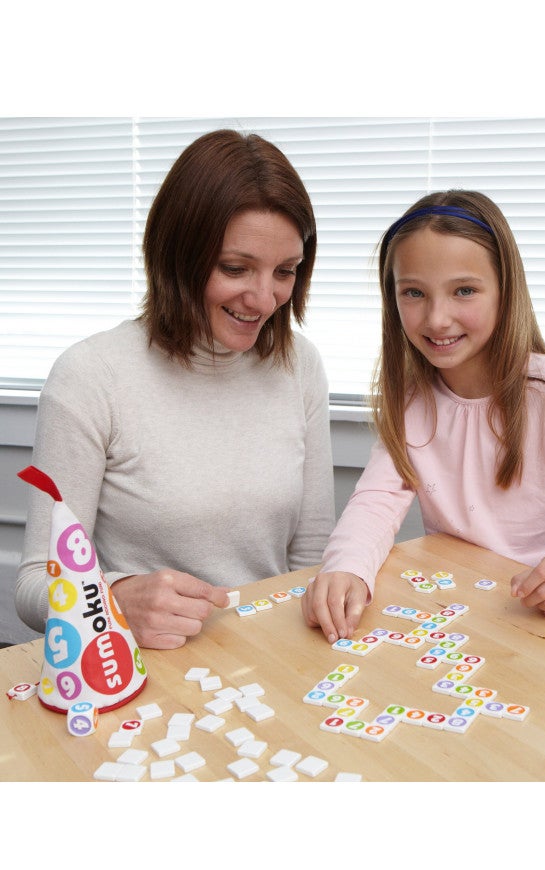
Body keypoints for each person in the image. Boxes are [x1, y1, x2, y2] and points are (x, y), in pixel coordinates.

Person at [16, 129, 336, 650]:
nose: (264, 298)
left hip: (269, 660)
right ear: (177, 256)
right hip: (143, 669)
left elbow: (311, 560)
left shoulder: (300, 365)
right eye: (235, 268)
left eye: (286, 272)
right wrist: (114, 600)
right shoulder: (90, 375)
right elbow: (33, 585)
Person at [302, 189, 545, 643]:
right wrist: (347, 567)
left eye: (464, 290)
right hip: (461, 623)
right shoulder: (411, 397)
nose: (438, 318)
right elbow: (376, 502)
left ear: (505, 290)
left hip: (541, 628)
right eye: (414, 293)